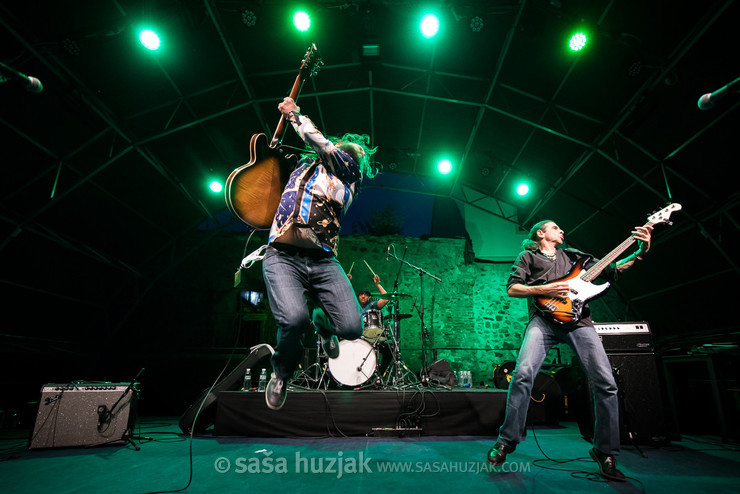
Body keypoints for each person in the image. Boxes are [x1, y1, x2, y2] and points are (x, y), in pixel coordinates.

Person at [487, 219, 653, 482]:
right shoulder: (528, 257)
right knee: (522, 375)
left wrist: (640, 252)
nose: (562, 230)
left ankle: (605, 451)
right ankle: (507, 441)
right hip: (542, 321)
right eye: (555, 227)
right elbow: (513, 288)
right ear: (540, 234)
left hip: (580, 323)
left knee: (606, 384)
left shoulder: (577, 257)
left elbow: (615, 270)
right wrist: (545, 288)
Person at [263, 97, 378, 410]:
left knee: (353, 328)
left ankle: (324, 324)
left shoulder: (348, 177)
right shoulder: (303, 165)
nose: (350, 152)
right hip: (282, 256)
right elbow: (274, 160)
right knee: (293, 320)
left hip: (323, 259)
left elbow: (326, 148)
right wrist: (274, 143)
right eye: (346, 146)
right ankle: (282, 374)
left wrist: (296, 116)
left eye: (353, 152)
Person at [350, 273, 394, 379]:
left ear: (369, 297)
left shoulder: (372, 305)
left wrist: (377, 284)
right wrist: (348, 282)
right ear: (358, 297)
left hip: (374, 336)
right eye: (361, 295)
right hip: (359, 336)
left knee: (390, 351)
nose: (364, 296)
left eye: (366, 294)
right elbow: (343, 296)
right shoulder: (354, 306)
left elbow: (386, 298)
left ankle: (378, 375)